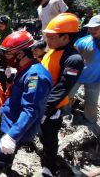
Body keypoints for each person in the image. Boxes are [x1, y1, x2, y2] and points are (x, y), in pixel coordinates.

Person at [0, 31, 52, 176]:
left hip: (20, 127)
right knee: (6, 154)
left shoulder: (36, 76)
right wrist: (3, 108)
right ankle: (6, 166)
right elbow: (15, 94)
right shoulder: (24, 70)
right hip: (12, 121)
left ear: (20, 54)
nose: (6, 58)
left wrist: (12, 136)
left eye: (9, 54)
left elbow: (31, 110)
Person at [40, 13, 84, 176]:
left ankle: (50, 166)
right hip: (40, 101)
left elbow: (61, 88)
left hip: (51, 107)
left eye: (52, 37)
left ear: (65, 38)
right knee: (43, 134)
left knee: (50, 137)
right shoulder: (53, 49)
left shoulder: (73, 59)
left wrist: (45, 110)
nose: (48, 41)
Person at [68, 15, 100, 124]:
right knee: (67, 96)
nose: (91, 30)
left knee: (92, 103)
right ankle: (63, 115)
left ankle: (91, 124)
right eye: (90, 28)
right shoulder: (83, 41)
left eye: (95, 28)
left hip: (95, 79)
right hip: (76, 76)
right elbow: (72, 56)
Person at [0, 15, 13, 90]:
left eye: (1, 26)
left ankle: (3, 90)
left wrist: (9, 65)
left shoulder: (11, 35)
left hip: (7, 56)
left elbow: (12, 50)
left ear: (6, 25)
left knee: (4, 75)